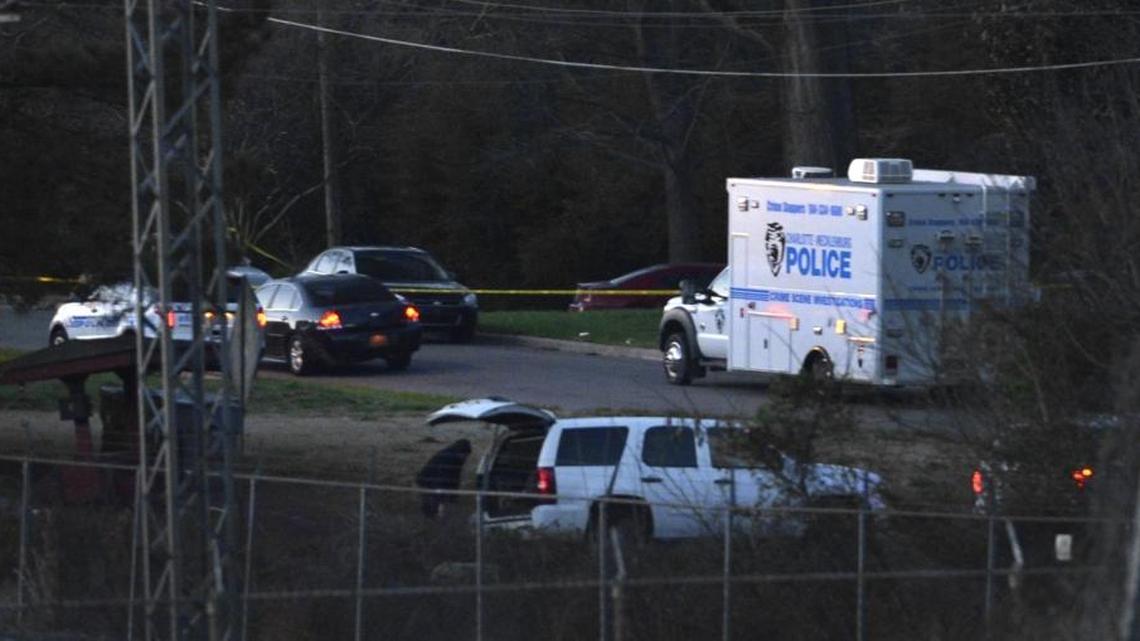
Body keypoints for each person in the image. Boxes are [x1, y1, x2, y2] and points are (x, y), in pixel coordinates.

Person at [415, 439, 472, 519]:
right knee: (432, 501)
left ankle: (433, 515)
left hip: (432, 479)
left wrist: (453, 494)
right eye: (465, 455)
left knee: (437, 501)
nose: (465, 458)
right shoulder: (449, 458)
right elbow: (442, 478)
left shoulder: (456, 457)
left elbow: (455, 476)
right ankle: (431, 516)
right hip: (428, 480)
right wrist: (443, 497)